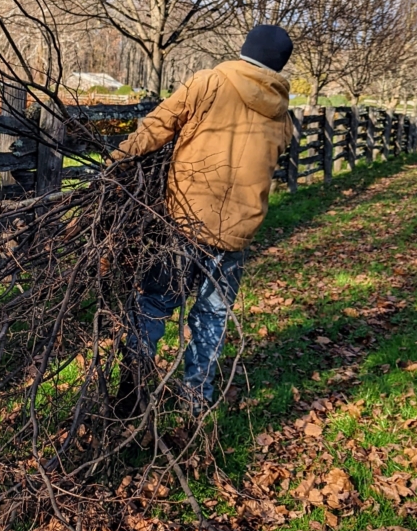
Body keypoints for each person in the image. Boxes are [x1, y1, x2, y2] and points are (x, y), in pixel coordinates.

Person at [111, 23, 294, 413]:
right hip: (236, 235)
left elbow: (158, 127)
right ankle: (196, 400)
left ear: (246, 48)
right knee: (212, 315)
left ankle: (133, 391)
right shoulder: (282, 114)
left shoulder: (209, 82)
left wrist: (116, 162)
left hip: (186, 222)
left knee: (154, 302)